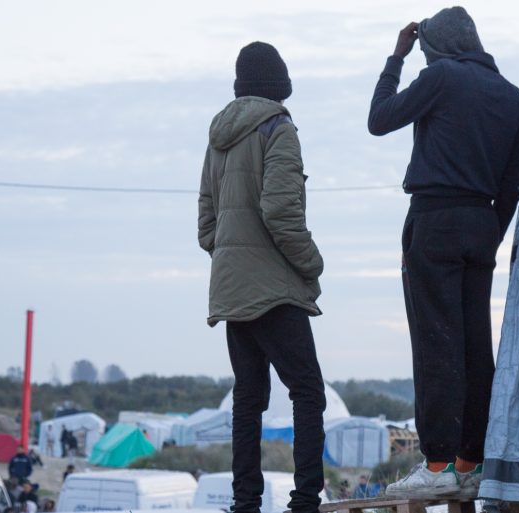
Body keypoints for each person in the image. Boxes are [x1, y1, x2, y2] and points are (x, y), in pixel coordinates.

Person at [367, 6, 519, 499]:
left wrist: (396, 58)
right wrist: (489, 235)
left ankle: (436, 464)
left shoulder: (441, 77)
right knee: (477, 346)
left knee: (435, 342)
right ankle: (470, 461)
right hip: (482, 221)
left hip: (434, 219)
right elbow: (513, 182)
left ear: (439, 49)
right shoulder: (512, 97)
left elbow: (380, 119)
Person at [197, 41, 327, 513]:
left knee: (248, 399)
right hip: (275, 290)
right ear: (280, 86)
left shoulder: (219, 138)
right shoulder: (279, 128)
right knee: (308, 392)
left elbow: (206, 225)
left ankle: (245, 503)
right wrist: (311, 263)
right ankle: (305, 501)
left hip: (231, 290)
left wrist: (234, 258)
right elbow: (280, 210)